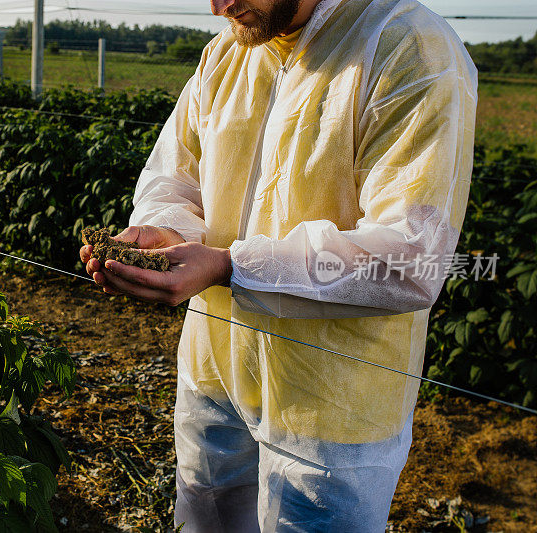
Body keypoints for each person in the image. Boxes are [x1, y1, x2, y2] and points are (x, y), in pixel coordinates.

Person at [80, 0, 477, 530]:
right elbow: (173, 176)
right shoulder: (228, 52)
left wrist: (228, 266)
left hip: (334, 407)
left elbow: (410, 256)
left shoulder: (408, 47)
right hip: (215, 370)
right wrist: (167, 229)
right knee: (207, 518)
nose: (218, 6)